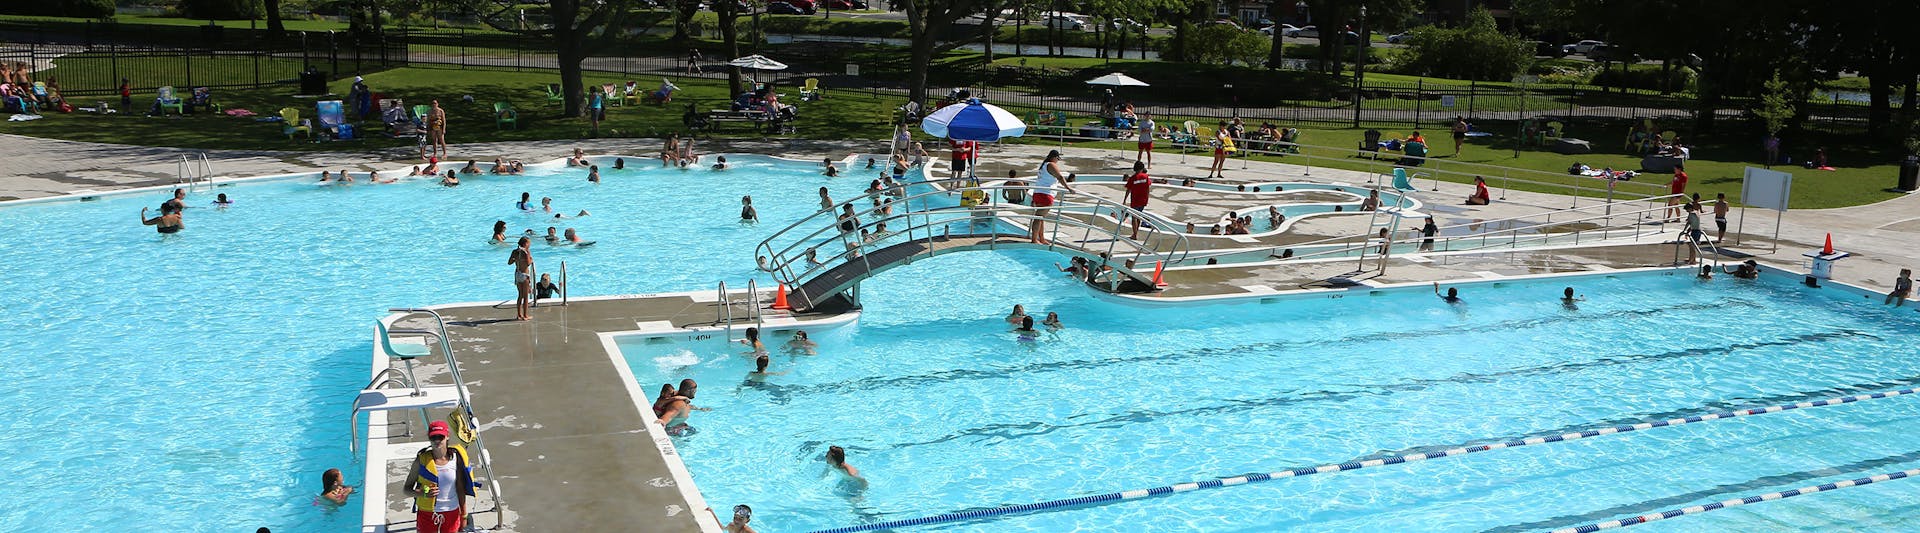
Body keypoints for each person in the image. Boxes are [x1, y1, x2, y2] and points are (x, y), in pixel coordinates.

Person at [402, 421, 475, 533]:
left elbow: (460, 489)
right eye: (433, 437)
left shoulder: (456, 459)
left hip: (452, 512)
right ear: (429, 438)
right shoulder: (421, 460)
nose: (437, 440)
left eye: (440, 437)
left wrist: (464, 515)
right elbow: (407, 489)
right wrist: (423, 493)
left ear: (447, 436)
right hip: (427, 514)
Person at [1030, 150, 1071, 245]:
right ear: (1054, 157)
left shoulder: (1043, 166)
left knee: (1040, 218)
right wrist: (1068, 188)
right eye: (1058, 159)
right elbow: (1060, 177)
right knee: (1038, 218)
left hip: (1038, 193)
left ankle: (1041, 238)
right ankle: (1034, 239)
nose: (1057, 161)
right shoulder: (1051, 165)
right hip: (1045, 195)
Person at [1122, 161, 1152, 240]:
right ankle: (1135, 233)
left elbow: (1128, 189)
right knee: (1138, 216)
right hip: (1143, 199)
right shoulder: (1145, 177)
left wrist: (1125, 200)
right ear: (1142, 168)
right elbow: (1148, 187)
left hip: (1135, 199)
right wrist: (1147, 197)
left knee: (1134, 217)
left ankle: (1135, 234)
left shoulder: (1132, 178)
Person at [509, 237, 534, 321]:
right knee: (526, 296)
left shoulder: (515, 252)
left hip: (517, 274)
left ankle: (519, 315)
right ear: (525, 244)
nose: (529, 245)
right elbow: (528, 263)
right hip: (524, 274)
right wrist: (531, 259)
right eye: (529, 243)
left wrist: (516, 259)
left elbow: (509, 262)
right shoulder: (526, 252)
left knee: (520, 295)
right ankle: (525, 315)